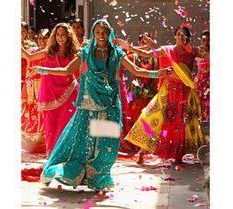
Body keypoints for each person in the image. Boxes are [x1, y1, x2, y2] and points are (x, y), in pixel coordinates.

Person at [32, 19, 170, 191]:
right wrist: (43, 70)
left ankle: (99, 175)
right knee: (82, 141)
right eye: (98, 32)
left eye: (104, 32)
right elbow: (67, 70)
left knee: (107, 142)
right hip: (88, 104)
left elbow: (136, 71)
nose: (101, 35)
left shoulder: (116, 53)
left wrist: (157, 73)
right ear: (93, 34)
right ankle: (76, 171)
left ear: (109, 33)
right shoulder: (86, 51)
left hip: (110, 104)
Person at [118, 25, 209, 164]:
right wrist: (129, 47)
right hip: (168, 91)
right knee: (154, 118)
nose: (180, 37)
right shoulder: (168, 50)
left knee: (182, 123)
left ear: (188, 38)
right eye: (178, 34)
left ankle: (178, 155)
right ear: (175, 36)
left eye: (184, 35)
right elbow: (148, 54)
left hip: (184, 93)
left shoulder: (194, 51)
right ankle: (142, 151)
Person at [22, 22, 80, 156]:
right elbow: (29, 57)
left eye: (63, 35)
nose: (60, 38)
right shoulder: (49, 51)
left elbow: (68, 71)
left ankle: (66, 155)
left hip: (69, 91)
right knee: (51, 124)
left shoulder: (74, 52)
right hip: (50, 93)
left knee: (66, 124)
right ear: (54, 36)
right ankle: (52, 157)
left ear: (69, 36)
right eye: (58, 35)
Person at [21, 28, 51, 153]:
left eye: (45, 38)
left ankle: (46, 144)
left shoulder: (50, 52)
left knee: (45, 116)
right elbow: (27, 61)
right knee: (31, 114)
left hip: (46, 88)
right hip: (31, 88)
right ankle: (31, 144)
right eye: (39, 38)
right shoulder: (32, 51)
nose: (42, 40)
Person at [194, 30, 210, 132]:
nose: (206, 43)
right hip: (199, 87)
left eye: (209, 40)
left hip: (210, 88)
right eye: (204, 40)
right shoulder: (197, 54)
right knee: (199, 111)